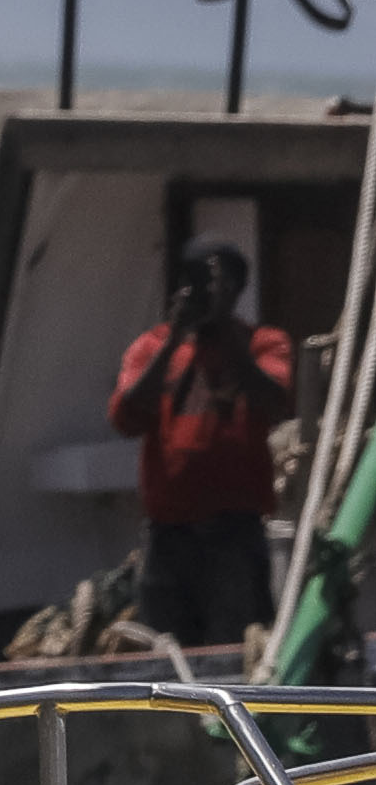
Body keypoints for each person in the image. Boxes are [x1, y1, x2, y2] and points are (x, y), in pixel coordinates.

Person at [114, 241, 305, 654]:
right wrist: (175, 340)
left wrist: (224, 335)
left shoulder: (264, 343)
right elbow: (126, 417)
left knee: (238, 650)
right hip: (168, 538)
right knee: (166, 658)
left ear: (237, 289)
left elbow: (276, 402)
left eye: (218, 282)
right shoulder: (151, 347)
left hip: (233, 534)